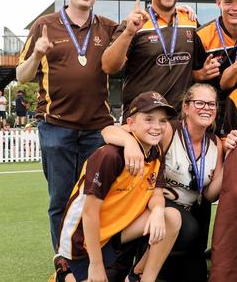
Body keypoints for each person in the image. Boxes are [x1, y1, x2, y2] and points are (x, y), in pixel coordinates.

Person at [16, 0, 117, 256]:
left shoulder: (108, 27)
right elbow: (22, 75)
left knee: (95, 198)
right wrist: (36, 54)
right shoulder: (44, 24)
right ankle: (64, 262)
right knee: (60, 200)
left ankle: (92, 259)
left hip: (97, 129)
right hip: (56, 127)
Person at [102, 84, 229, 281]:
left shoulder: (215, 144)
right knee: (188, 227)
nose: (207, 108)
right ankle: (136, 270)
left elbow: (210, 195)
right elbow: (108, 131)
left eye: (211, 104)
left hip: (190, 213)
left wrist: (231, 161)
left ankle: (153, 264)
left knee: (196, 273)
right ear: (186, 108)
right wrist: (128, 142)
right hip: (156, 205)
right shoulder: (169, 130)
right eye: (200, 103)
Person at [57, 91, 181, 282]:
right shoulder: (110, 156)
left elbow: (157, 194)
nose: (157, 127)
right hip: (84, 241)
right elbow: (89, 213)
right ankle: (64, 271)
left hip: (117, 230)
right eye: (149, 119)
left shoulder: (156, 151)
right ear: (130, 124)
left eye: (163, 121)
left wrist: (157, 210)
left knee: (171, 217)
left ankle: (141, 277)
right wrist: (96, 266)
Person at [102, 0, 200, 120]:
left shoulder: (191, 22)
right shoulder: (135, 23)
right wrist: (128, 32)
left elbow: (199, 68)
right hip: (142, 117)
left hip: (178, 119)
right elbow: (108, 66)